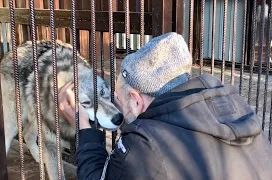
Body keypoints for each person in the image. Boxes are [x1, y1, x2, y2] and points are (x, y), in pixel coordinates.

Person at [58, 32, 272, 180]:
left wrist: (85, 130)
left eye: (119, 99)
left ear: (136, 98)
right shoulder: (236, 106)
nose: (116, 105)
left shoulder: (145, 147)